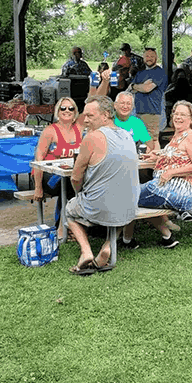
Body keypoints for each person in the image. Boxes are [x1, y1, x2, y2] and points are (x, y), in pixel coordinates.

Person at [65, 95, 140, 275]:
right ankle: (107, 245)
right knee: (122, 207)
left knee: (69, 209)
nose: (86, 120)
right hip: (130, 207)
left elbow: (75, 177)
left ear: (106, 115)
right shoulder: (127, 135)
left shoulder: (92, 138)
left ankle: (86, 252)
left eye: (90, 116)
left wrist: (79, 193)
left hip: (100, 207)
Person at [122, 100, 192, 250]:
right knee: (137, 197)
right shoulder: (177, 136)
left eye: (183, 115)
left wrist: (171, 172)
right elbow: (177, 156)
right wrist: (158, 156)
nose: (178, 117)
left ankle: (125, 240)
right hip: (165, 188)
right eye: (176, 113)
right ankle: (165, 237)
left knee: (128, 195)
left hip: (180, 191)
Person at [32, 96, 84, 212]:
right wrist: (38, 187)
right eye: (63, 108)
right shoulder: (50, 131)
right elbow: (38, 158)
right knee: (68, 185)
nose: (67, 111)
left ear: (75, 112)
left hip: (69, 174)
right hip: (48, 175)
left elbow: (93, 99)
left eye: (71, 108)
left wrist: (101, 81)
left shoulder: (79, 127)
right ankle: (63, 225)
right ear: (57, 111)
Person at [130, 47, 168, 143]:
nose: (149, 58)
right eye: (147, 56)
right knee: (138, 142)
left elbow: (147, 89)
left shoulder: (159, 72)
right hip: (137, 112)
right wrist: (137, 86)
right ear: (143, 58)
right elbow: (131, 89)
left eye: (152, 56)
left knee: (151, 142)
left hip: (152, 113)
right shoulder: (140, 73)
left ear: (156, 58)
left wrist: (138, 86)